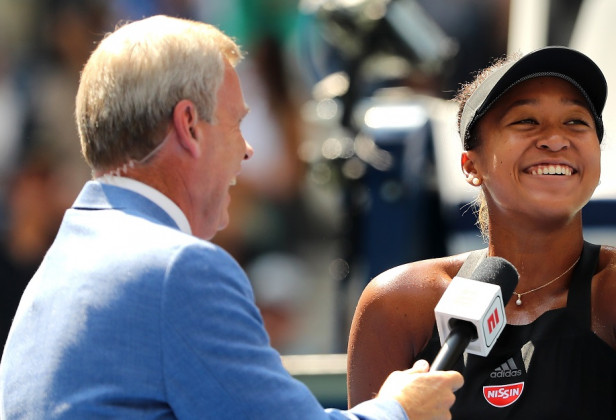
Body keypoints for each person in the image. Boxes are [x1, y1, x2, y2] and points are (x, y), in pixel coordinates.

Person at [0, 15, 463, 419]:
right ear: (189, 126)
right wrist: (402, 408)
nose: (247, 149)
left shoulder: (56, 270)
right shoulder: (177, 271)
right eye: (237, 123)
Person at [346, 46, 616, 419]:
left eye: (576, 122)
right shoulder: (397, 302)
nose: (555, 139)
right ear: (471, 165)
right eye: (526, 121)